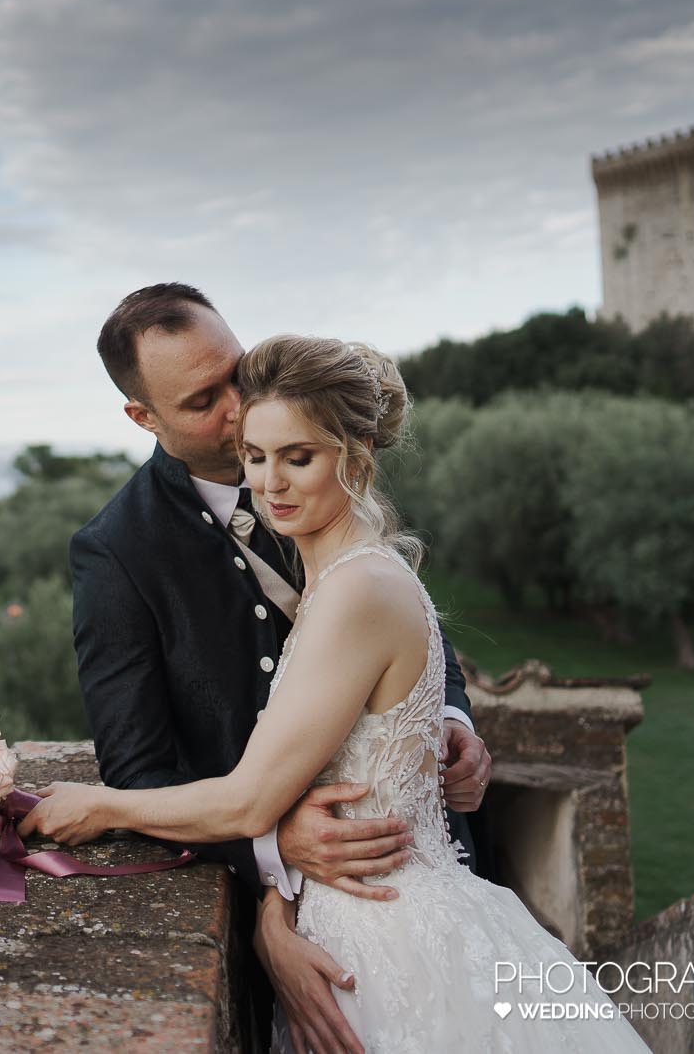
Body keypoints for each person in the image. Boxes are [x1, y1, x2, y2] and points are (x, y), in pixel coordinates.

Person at [28, 332, 651, 1052]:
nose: (268, 481)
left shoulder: (354, 583)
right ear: (145, 414)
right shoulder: (148, 547)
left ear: (354, 455)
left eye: (297, 457)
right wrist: (275, 900)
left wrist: (98, 804)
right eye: (256, 457)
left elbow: (251, 796)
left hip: (394, 939)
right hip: (345, 923)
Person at [64, 285, 495, 1054]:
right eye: (204, 400)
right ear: (144, 417)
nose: (241, 409)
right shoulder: (118, 553)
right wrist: (272, 857)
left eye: (238, 371)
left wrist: (447, 720)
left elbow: (404, 612)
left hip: (421, 874)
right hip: (318, 913)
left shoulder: (315, 460)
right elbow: (138, 768)